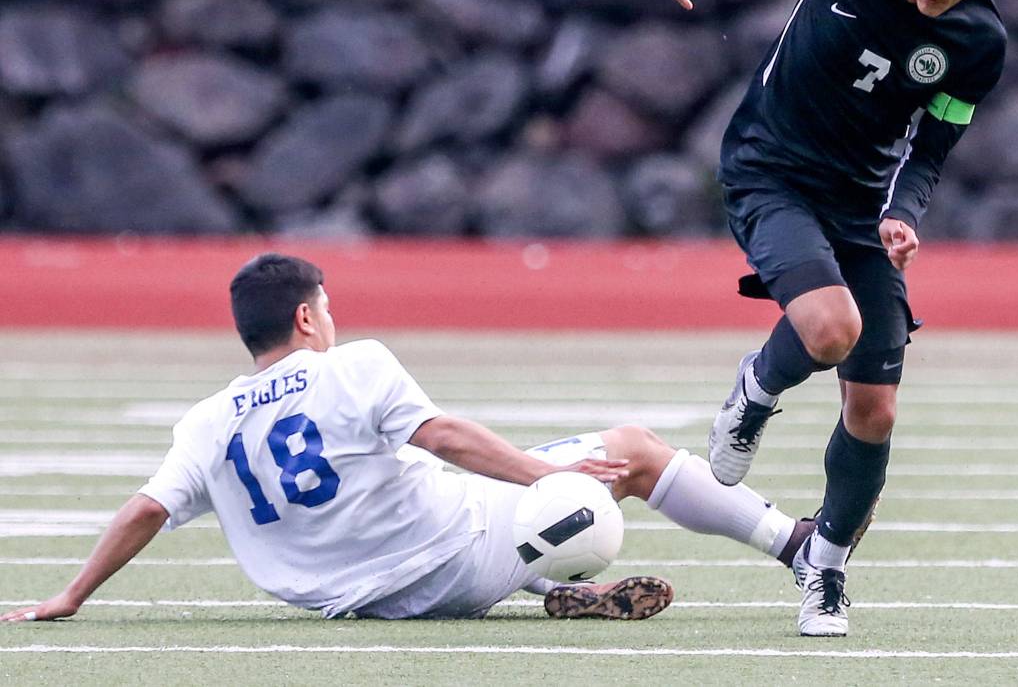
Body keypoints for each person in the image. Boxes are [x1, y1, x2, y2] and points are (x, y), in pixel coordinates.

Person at [2, 252, 814, 625]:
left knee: (461, 496)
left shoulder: (207, 420)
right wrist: (545, 472)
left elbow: (145, 509)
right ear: (306, 316)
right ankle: (795, 543)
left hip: (354, 600)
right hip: (452, 562)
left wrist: (71, 594)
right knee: (628, 449)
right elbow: (446, 435)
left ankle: (558, 587)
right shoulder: (351, 363)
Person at [652, 0, 1006, 636]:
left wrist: (903, 215)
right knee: (828, 329)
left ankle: (827, 564)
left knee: (874, 409)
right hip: (767, 174)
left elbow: (933, 150)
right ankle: (755, 388)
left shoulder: (978, 42)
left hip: (860, 208)